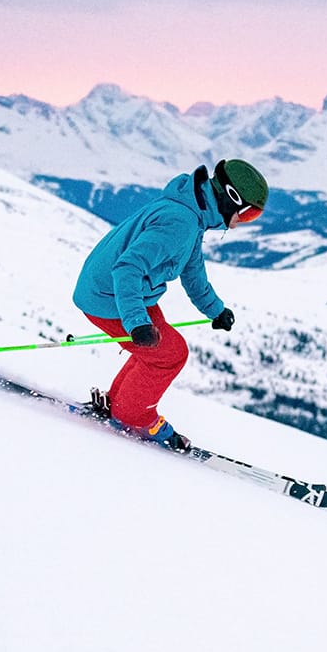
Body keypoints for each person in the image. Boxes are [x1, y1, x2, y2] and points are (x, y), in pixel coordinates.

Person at [72, 159, 268, 450]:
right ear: (231, 199)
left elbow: (193, 271)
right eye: (249, 214)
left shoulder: (192, 215)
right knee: (170, 354)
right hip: (109, 296)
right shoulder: (181, 222)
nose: (244, 221)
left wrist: (215, 310)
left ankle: (118, 404)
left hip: (124, 293)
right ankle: (133, 417)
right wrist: (137, 322)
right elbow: (128, 268)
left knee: (157, 349)